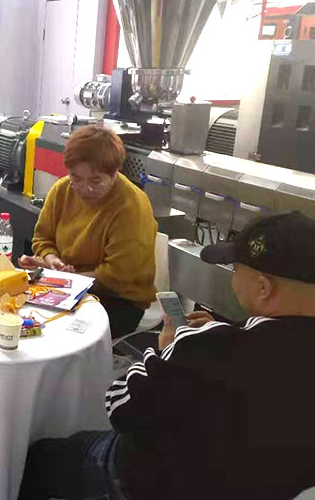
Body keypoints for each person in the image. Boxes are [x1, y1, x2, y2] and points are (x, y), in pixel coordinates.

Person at [18, 211, 315, 500]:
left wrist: (167, 347)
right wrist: (222, 332)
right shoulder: (231, 345)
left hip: (147, 481)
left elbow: (119, 407)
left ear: (263, 287)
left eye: (235, 269)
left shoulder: (210, 349)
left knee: (35, 462)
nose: (232, 278)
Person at [19, 125, 156, 338]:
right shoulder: (63, 190)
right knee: (21, 315)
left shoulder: (131, 206)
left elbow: (117, 276)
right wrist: (52, 260)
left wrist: (69, 279)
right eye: (76, 178)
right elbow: (43, 237)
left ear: (115, 172)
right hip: (69, 285)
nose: (85, 189)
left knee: (57, 333)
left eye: (96, 181)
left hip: (117, 298)